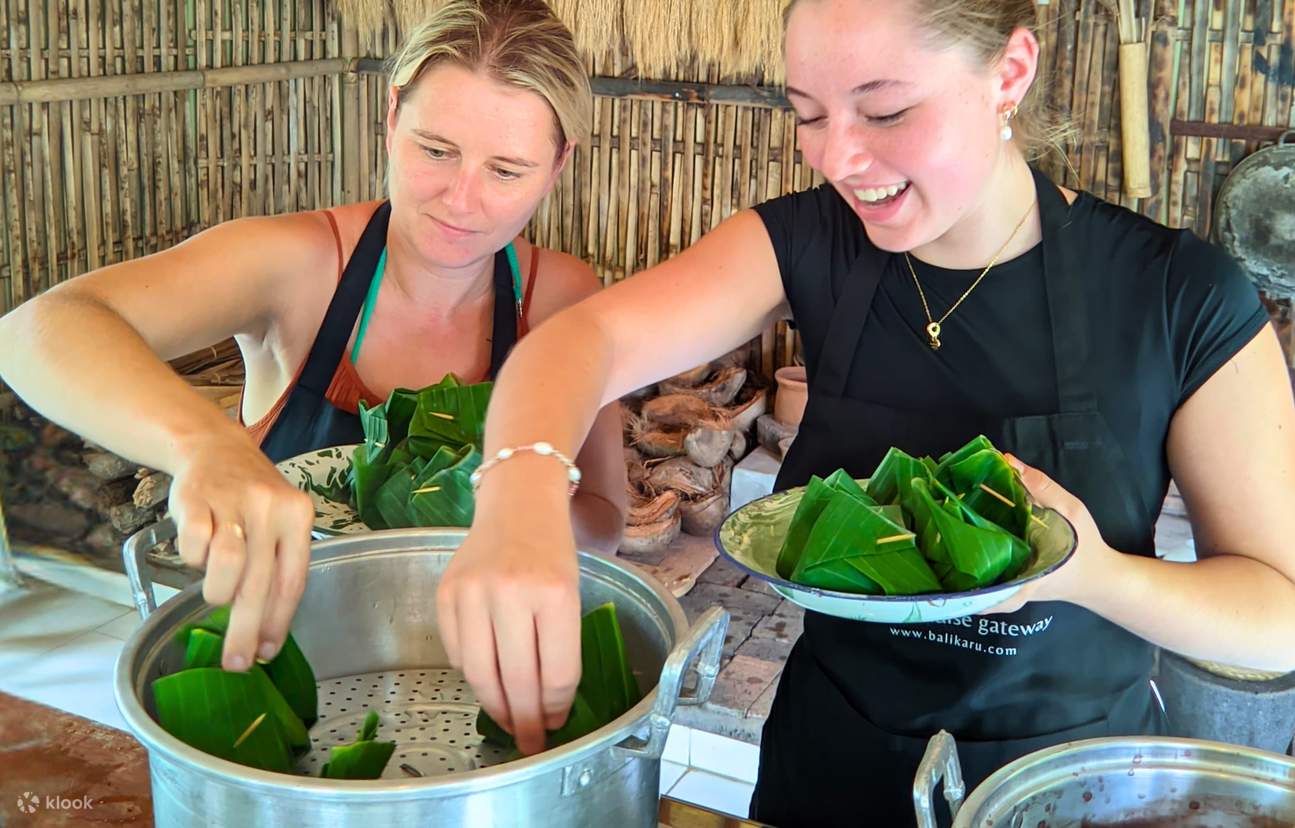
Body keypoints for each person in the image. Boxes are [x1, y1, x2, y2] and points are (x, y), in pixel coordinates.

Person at [436, 0, 1295, 823]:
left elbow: (1277, 615)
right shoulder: (806, 242)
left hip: (1070, 791)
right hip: (829, 763)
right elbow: (576, 344)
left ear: (1010, 71)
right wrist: (517, 496)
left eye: (883, 112)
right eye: (807, 113)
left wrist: (1092, 574)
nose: (834, 157)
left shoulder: (1180, 295)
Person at [0, 0, 626, 679]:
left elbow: (605, 519)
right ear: (391, 119)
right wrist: (207, 448)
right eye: (435, 150)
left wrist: (497, 504)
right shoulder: (294, 265)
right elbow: (33, 330)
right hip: (291, 668)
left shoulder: (561, 296)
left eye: (506, 171)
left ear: (559, 164)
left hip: (483, 671)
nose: (460, 199)